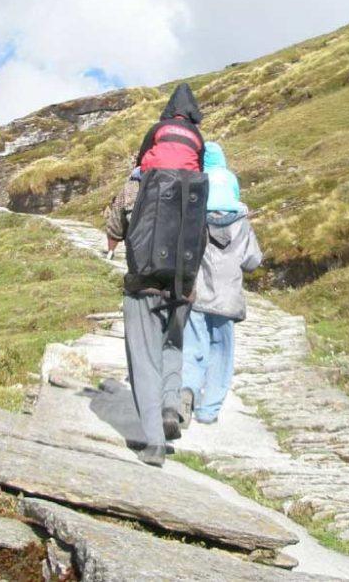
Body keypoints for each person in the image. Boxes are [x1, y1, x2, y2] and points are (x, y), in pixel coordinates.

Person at [105, 83, 205, 467]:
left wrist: (113, 244)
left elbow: (115, 224)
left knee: (143, 356)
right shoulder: (200, 187)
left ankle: (153, 442)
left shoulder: (136, 185)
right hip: (183, 284)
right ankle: (169, 407)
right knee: (173, 347)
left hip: (143, 280)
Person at [181, 141, 262, 426]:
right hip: (228, 300)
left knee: (193, 346)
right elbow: (253, 261)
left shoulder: (195, 217)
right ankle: (209, 410)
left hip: (198, 295)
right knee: (221, 353)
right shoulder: (242, 223)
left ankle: (186, 391)